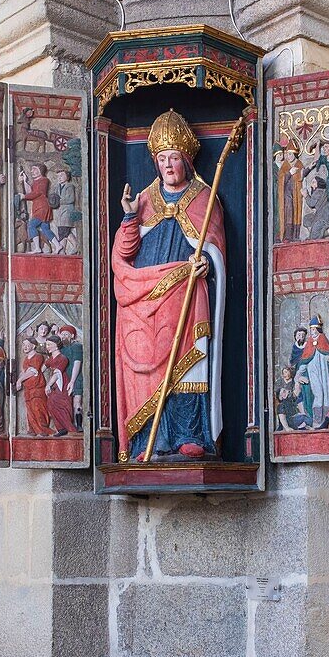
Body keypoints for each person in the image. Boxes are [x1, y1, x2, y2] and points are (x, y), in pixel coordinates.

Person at [112, 110, 226, 461]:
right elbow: (124, 252)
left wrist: (207, 261)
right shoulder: (143, 199)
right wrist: (130, 217)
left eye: (174, 157)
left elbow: (216, 248)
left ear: (186, 159)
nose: (168, 165)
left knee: (189, 365)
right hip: (142, 299)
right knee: (144, 364)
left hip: (186, 294)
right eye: (162, 159)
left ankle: (190, 437)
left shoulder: (205, 200)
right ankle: (152, 438)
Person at [20, 163, 64, 253]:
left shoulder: (44, 180)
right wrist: (25, 181)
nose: (32, 171)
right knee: (45, 228)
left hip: (42, 207)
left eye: (34, 169)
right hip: (38, 207)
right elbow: (30, 191)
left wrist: (24, 196)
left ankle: (37, 248)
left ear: (40, 170)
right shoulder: (36, 182)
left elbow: (37, 193)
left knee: (31, 225)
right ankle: (58, 245)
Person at [16, 337, 52, 437]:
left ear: (34, 346)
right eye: (24, 344)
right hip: (28, 388)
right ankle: (32, 429)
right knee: (30, 410)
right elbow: (24, 371)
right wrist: (18, 381)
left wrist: (20, 380)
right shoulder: (25, 359)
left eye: (28, 344)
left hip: (37, 388)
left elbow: (33, 371)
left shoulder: (38, 357)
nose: (25, 346)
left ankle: (42, 430)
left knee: (38, 408)